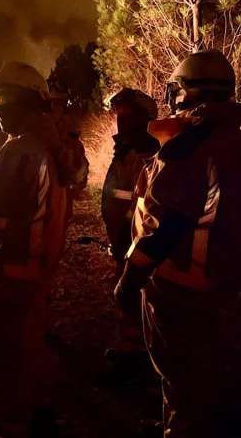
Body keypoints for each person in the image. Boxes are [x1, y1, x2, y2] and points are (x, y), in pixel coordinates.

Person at [114, 50, 241, 437]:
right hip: (219, 283)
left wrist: (131, 276)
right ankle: (183, 416)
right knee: (203, 369)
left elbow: (167, 222)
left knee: (180, 372)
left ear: (185, 93)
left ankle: (181, 425)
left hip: (177, 287)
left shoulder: (188, 148)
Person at [0, 61, 69, 438]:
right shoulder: (54, 143)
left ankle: (8, 428)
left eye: (3, 103)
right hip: (36, 268)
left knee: (4, 358)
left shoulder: (22, 151)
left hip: (12, 272)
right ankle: (33, 411)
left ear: (22, 104)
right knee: (28, 345)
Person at [99, 87, 159, 382]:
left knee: (138, 296)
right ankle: (130, 349)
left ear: (144, 119)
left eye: (127, 116)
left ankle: (140, 359)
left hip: (137, 241)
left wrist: (126, 234)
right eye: (118, 116)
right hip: (122, 239)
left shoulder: (149, 153)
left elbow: (143, 202)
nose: (120, 122)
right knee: (127, 299)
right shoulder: (126, 149)